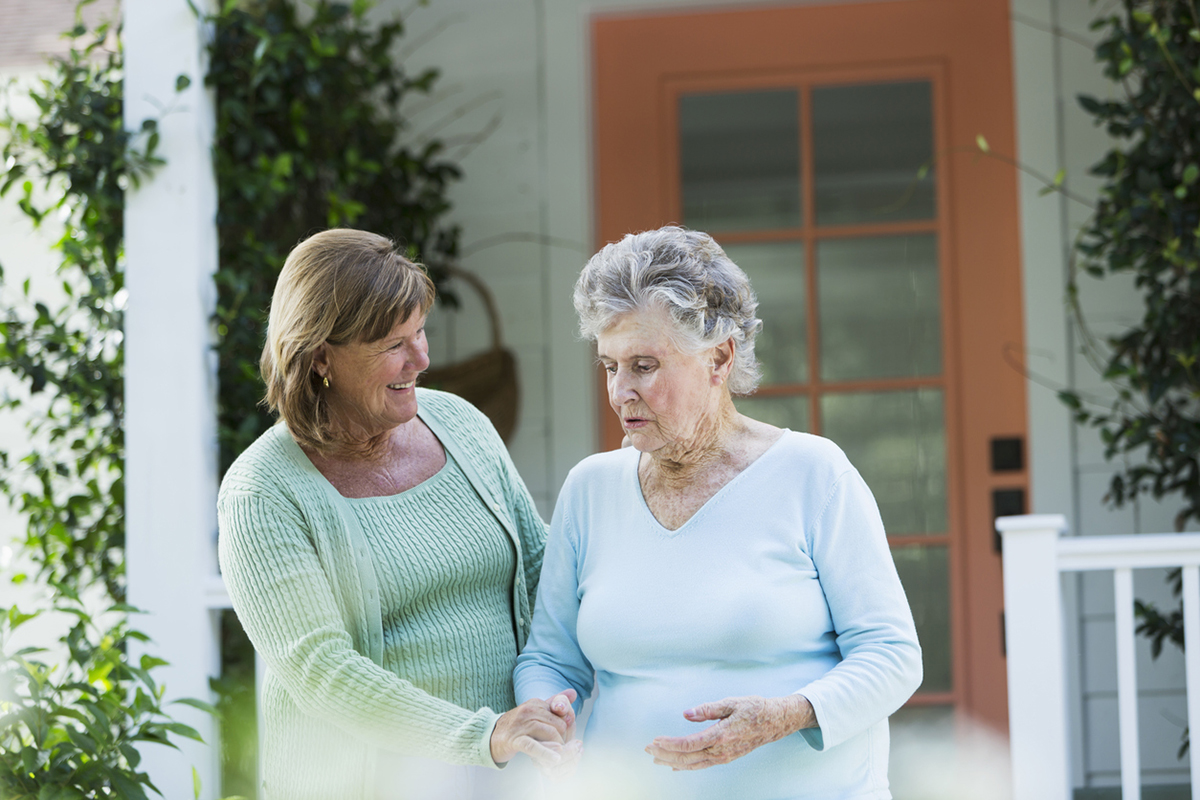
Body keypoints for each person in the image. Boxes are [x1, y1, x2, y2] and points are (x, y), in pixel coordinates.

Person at [513, 226, 923, 799]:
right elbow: (550, 660)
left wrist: (790, 712)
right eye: (610, 366)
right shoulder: (590, 489)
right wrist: (544, 708)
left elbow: (892, 656)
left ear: (720, 358)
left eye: (645, 365)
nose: (619, 391)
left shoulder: (814, 474)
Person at [217, 228, 577, 800]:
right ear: (319, 359)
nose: (423, 358)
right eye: (393, 345)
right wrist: (482, 736)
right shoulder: (263, 492)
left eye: (421, 332)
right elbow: (322, 672)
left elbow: (545, 568)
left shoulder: (458, 423)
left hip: (510, 773)